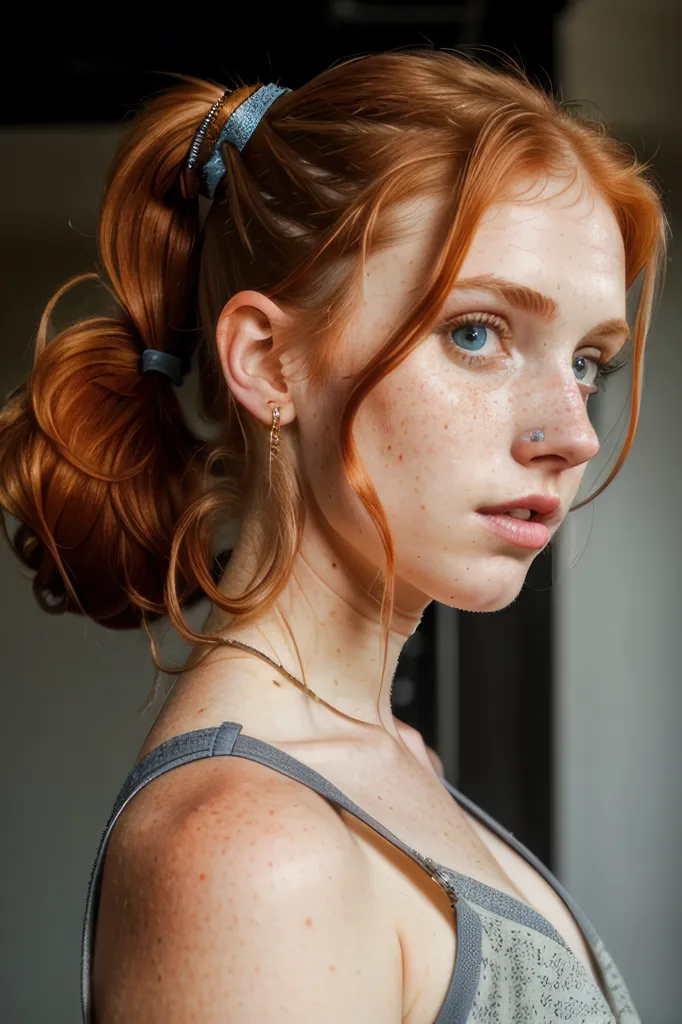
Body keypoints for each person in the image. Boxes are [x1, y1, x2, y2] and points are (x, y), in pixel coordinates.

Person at [0, 49, 665, 1023]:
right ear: (268, 363)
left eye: (588, 360)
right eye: (476, 331)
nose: (570, 434)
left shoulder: (385, 763)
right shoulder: (254, 853)